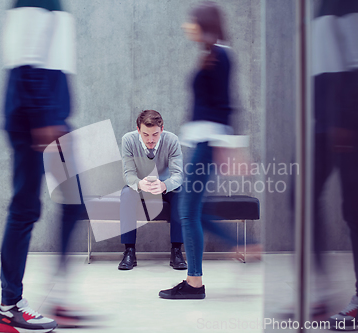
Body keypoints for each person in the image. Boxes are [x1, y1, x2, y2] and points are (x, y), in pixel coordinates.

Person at [0, 0, 80, 331]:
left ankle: (60, 296)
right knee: (25, 207)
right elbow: (26, 62)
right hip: (35, 118)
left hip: (51, 116)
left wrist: (55, 116)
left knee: (75, 199)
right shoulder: (35, 1)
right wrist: (44, 119)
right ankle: (8, 306)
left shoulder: (54, 3)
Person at [312, 0, 358, 329]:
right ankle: (321, 291)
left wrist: (345, 121)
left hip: (350, 122)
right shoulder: (320, 7)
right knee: (302, 195)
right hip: (323, 124)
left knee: (354, 208)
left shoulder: (351, 2)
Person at [159, 1, 234, 299]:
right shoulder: (211, 55)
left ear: (204, 23)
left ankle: (194, 283)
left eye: (191, 21)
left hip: (207, 144)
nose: (186, 25)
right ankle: (199, 277)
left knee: (187, 211)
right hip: (201, 143)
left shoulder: (222, 56)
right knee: (190, 210)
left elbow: (226, 105)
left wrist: (227, 147)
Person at [118, 110, 187, 270]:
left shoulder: (172, 140)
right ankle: (129, 251)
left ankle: (176, 251)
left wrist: (164, 185)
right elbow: (128, 174)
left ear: (162, 129)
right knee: (127, 193)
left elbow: (178, 175)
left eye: (155, 134)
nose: (150, 140)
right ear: (138, 130)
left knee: (181, 193)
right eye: (145, 134)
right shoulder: (128, 140)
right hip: (139, 185)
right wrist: (140, 184)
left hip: (164, 185)